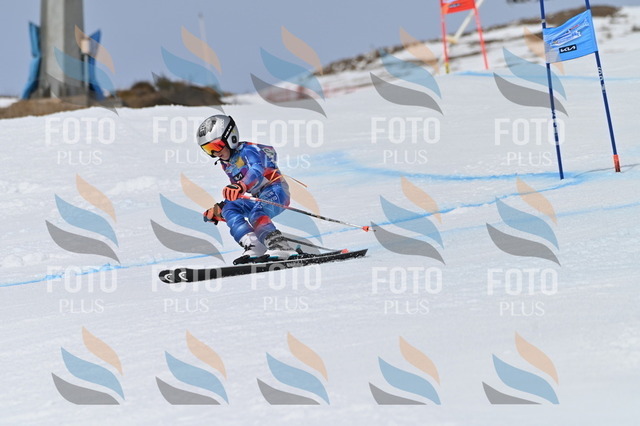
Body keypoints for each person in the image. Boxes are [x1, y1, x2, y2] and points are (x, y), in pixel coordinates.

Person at [197, 114, 298, 263]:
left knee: (257, 213)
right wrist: (221, 207)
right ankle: (254, 245)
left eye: (217, 146)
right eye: (208, 149)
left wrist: (242, 185)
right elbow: (236, 191)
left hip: (276, 190)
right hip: (258, 196)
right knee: (230, 208)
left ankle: (280, 246)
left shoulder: (249, 150)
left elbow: (257, 169)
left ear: (230, 137)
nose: (215, 153)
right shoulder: (227, 163)